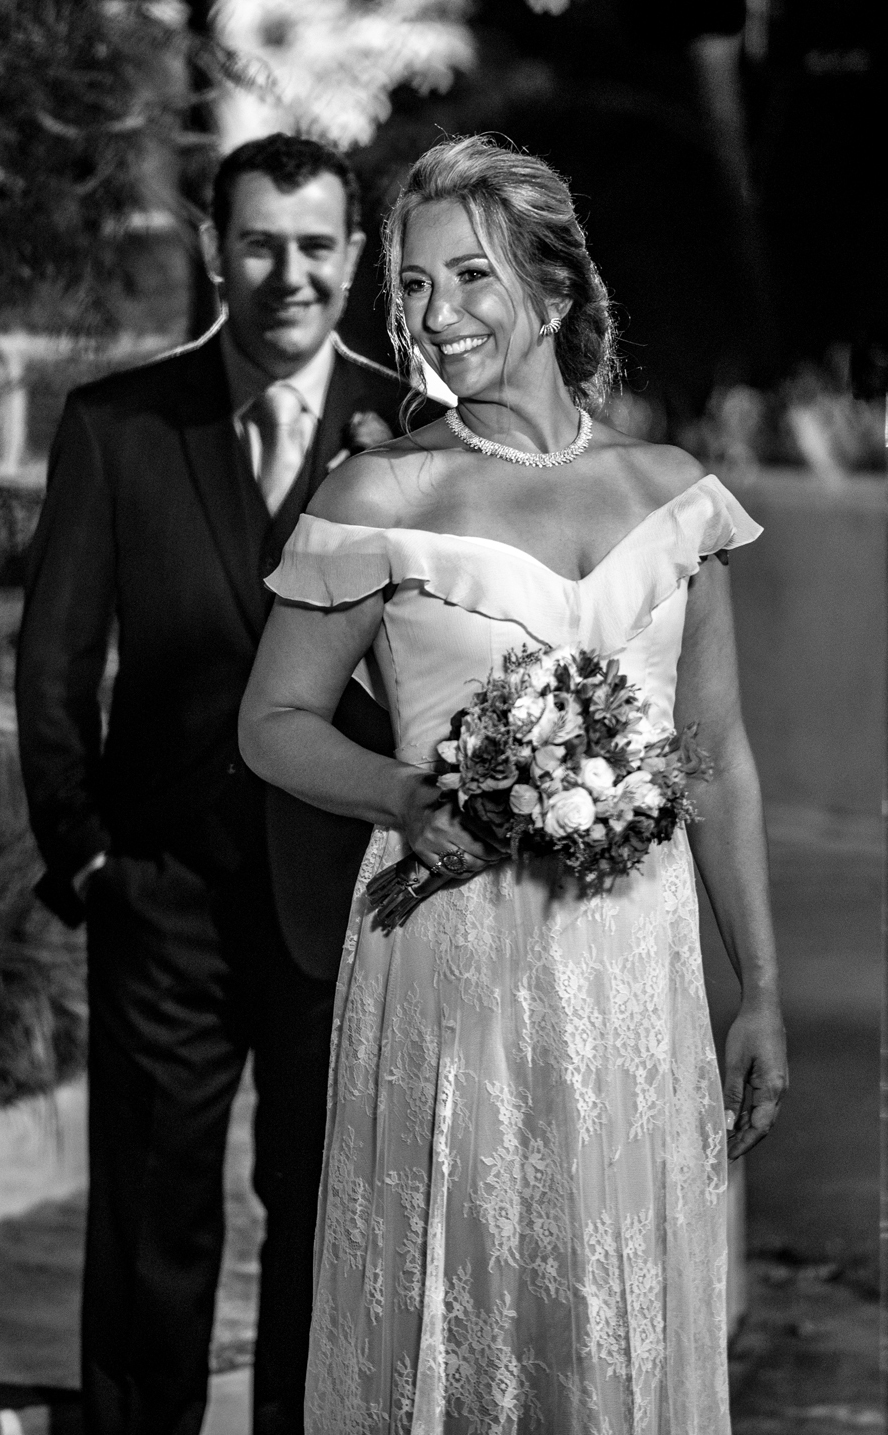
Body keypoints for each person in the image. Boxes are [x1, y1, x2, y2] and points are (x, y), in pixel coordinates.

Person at [239, 135, 788, 1433]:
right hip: (456, 964)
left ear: (553, 286)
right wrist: (400, 795)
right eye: (413, 286)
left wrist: (760, 989)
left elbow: (715, 757)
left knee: (609, 1323)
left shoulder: (673, 496)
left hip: (635, 979)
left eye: (470, 275)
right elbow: (271, 722)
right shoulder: (383, 490)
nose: (438, 315)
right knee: (463, 1304)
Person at [16, 133, 440, 1435]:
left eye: (315, 246)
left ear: (355, 257)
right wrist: (90, 857)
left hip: (349, 902)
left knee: (326, 1220)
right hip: (163, 897)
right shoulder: (119, 424)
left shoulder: (420, 435)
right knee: (151, 1224)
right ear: (214, 248)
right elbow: (54, 661)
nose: (288, 274)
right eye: (260, 244)